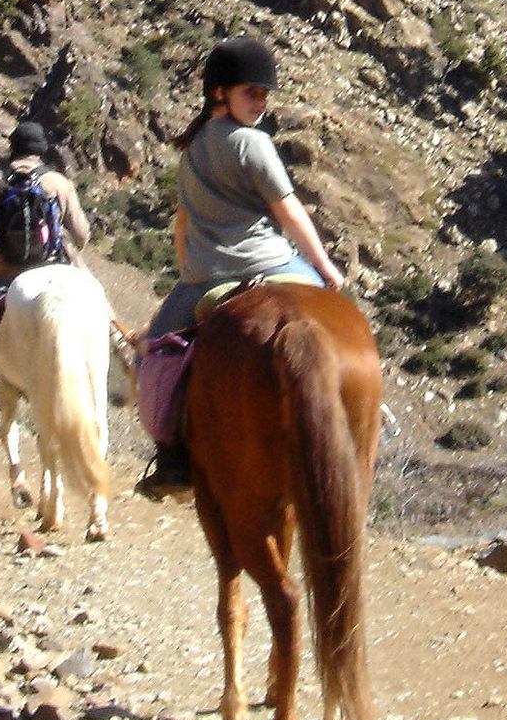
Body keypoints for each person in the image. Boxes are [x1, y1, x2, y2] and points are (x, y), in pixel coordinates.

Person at [133, 35, 348, 500]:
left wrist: (188, 268)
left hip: (206, 278)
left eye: (265, 94)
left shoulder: (190, 153)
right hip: (275, 263)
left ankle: (171, 456)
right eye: (252, 92)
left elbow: (182, 222)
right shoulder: (255, 144)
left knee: (151, 353)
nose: (261, 102)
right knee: (339, 323)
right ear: (220, 93)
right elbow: (289, 209)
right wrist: (325, 266)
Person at [0, 119, 91, 401]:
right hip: (49, 269)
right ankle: (115, 348)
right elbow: (82, 236)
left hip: (1, 272)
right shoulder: (58, 183)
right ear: (41, 151)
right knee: (89, 298)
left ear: (13, 148)